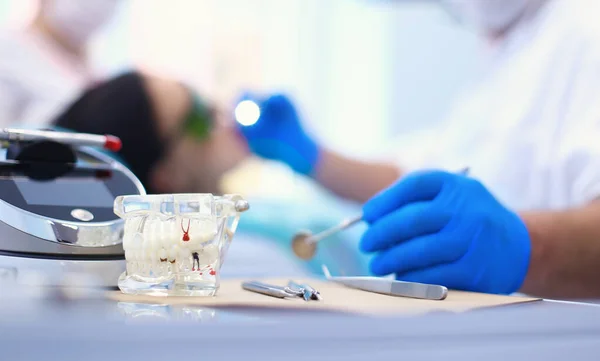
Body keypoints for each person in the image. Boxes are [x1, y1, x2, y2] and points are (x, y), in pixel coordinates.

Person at [235, 0, 600, 299]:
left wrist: (525, 249)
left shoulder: (585, 29)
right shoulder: (513, 49)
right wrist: (312, 157)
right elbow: (418, 180)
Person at [0, 0, 248, 194]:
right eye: (199, 118)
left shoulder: (93, 67)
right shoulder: (9, 58)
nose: (221, 124)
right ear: (166, 176)